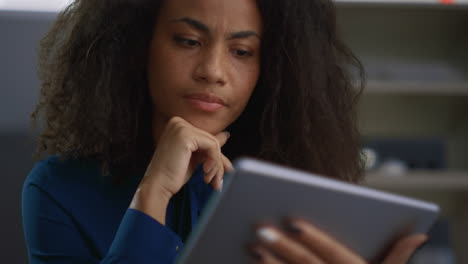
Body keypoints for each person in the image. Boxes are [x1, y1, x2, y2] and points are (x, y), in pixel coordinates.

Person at [22, 0, 427, 263]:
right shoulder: (58, 189)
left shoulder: (303, 193)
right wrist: (153, 193)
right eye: (187, 40)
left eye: (242, 52)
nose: (213, 71)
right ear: (136, 46)